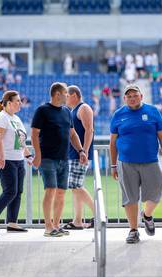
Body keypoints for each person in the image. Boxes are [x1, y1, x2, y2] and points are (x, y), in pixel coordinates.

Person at [109, 84, 162, 244]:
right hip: (126, 163)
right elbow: (112, 143)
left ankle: (147, 215)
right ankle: (133, 230)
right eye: (129, 96)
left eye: (135, 95)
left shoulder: (152, 111)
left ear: (141, 96)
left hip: (150, 161)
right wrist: (113, 165)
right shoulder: (118, 115)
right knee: (129, 199)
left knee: (155, 195)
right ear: (124, 99)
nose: (132, 98)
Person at [31, 82, 87, 237]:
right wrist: (37, 155)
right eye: (66, 94)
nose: (67, 96)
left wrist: (81, 150)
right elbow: (34, 134)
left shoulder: (67, 112)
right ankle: (48, 227)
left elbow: (73, 134)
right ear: (57, 94)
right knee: (50, 190)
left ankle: (56, 225)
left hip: (64, 158)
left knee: (61, 192)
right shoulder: (42, 110)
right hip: (47, 158)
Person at [0, 90, 32, 233]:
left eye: (20, 100)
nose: (20, 103)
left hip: (18, 160)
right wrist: (1, 157)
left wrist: (27, 154)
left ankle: (12, 223)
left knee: (17, 191)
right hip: (6, 159)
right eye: (17, 101)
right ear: (8, 103)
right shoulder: (2, 117)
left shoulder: (16, 118)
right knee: (10, 191)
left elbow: (20, 139)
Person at [63, 85, 95, 230]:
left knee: (76, 186)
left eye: (66, 96)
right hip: (74, 153)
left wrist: (85, 150)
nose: (65, 99)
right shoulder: (74, 110)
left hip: (79, 154)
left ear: (74, 95)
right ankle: (77, 221)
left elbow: (89, 130)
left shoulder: (83, 108)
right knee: (75, 188)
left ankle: (99, 214)